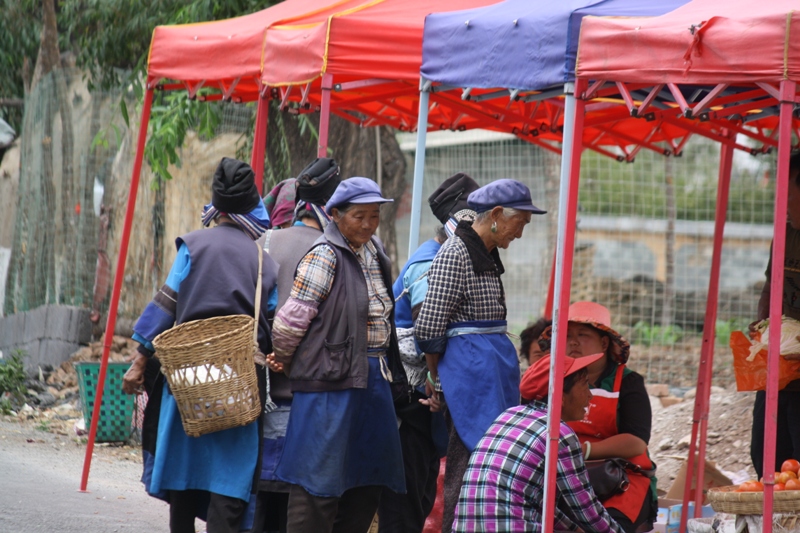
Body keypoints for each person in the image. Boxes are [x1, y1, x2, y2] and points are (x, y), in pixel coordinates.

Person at [122, 158, 279, 533]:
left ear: (218, 204)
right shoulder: (264, 261)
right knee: (231, 475)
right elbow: (273, 324)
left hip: (189, 376)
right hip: (239, 381)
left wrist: (140, 359)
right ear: (250, 205)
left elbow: (165, 304)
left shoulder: (192, 245)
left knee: (183, 469)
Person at [270, 177, 406, 533]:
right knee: (319, 479)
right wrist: (283, 357)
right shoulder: (324, 255)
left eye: (374, 216)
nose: (367, 224)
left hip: (373, 379)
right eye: (359, 216)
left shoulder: (375, 253)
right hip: (330, 382)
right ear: (335, 215)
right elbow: (292, 319)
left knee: (367, 477)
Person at [414, 178, 546, 533]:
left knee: (491, 463)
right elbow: (429, 327)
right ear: (498, 215)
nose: (519, 234)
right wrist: (435, 379)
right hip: (469, 378)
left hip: (489, 374)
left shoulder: (486, 253)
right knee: (467, 464)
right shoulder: (455, 253)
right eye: (520, 223)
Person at [379, 173, 479, 533]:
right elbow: (428, 333)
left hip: (422, 400)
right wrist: (436, 383)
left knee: (419, 495)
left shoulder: (445, 258)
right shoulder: (429, 263)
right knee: (405, 501)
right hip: (409, 400)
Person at [250, 157, 341, 533]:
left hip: (262, 389)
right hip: (314, 394)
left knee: (261, 495)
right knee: (300, 500)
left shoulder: (265, 241)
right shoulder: (338, 251)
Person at [452, 352, 623, 533]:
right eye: (584, 385)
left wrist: (574, 530)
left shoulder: (508, 416)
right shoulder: (558, 434)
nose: (590, 395)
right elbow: (586, 509)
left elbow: (533, 503)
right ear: (560, 396)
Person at [562, 301, 656, 533]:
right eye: (568, 335)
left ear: (604, 343)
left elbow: (636, 441)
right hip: (567, 476)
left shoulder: (628, 382)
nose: (573, 341)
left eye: (583, 334)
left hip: (624, 478)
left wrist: (581, 451)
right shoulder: (557, 381)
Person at [750, 151, 800, 479]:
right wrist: (761, 324)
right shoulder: (784, 233)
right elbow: (771, 283)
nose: (780, 203)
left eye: (788, 195)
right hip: (776, 366)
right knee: (764, 455)